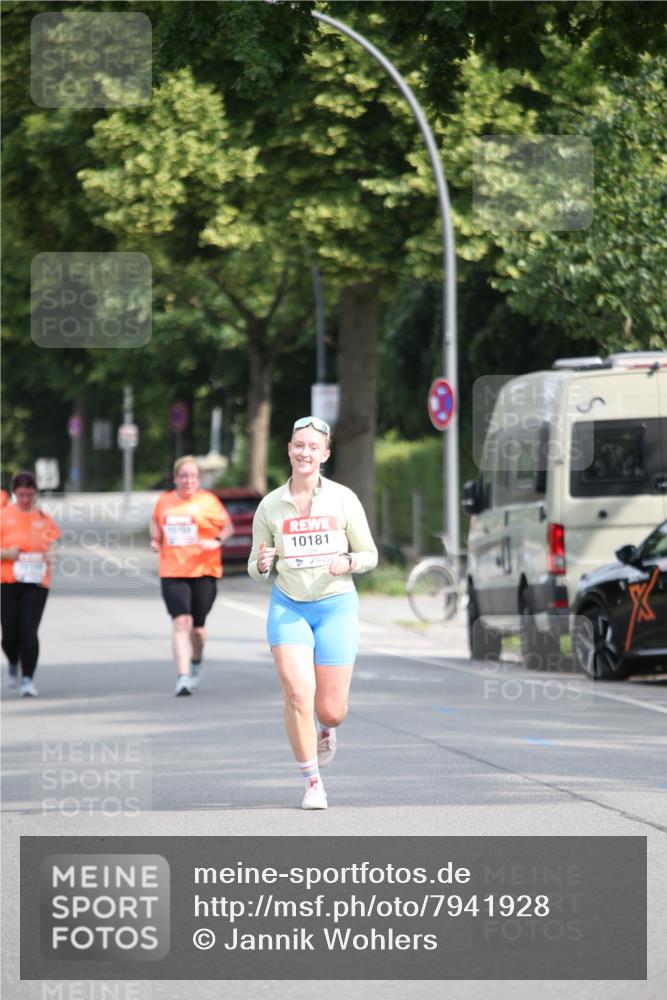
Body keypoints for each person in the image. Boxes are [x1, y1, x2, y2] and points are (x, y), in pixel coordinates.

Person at [248, 416, 377, 810]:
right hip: (289, 606)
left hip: (336, 605)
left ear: (325, 455)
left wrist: (349, 562)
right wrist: (265, 562)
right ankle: (312, 783)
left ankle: (326, 728)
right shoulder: (270, 505)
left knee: (331, 710)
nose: (305, 453)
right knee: (297, 694)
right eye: (298, 445)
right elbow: (255, 567)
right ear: (289, 450)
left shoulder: (343, 499)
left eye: (313, 447)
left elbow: (370, 555)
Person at [150, 456, 234, 696]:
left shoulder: (209, 501)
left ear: (198, 479)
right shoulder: (165, 501)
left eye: (193, 476)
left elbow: (227, 527)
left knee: (197, 629)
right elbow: (154, 522)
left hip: (203, 571)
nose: (188, 480)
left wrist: (216, 541)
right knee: (181, 622)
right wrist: (156, 539)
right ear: (176, 478)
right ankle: (183, 677)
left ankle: (196, 661)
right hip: (172, 571)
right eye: (184, 476)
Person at [1, 471, 60, 697]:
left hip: (36, 582)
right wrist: (6, 553)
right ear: (14, 493)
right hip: (7, 581)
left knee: (29, 630)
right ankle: (13, 659)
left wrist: (52, 555)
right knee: (9, 633)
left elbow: (53, 545)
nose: (26, 499)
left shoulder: (43, 518)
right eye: (21, 495)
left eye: (30, 495)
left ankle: (28, 679)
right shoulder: (3, 516)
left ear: (35, 493)